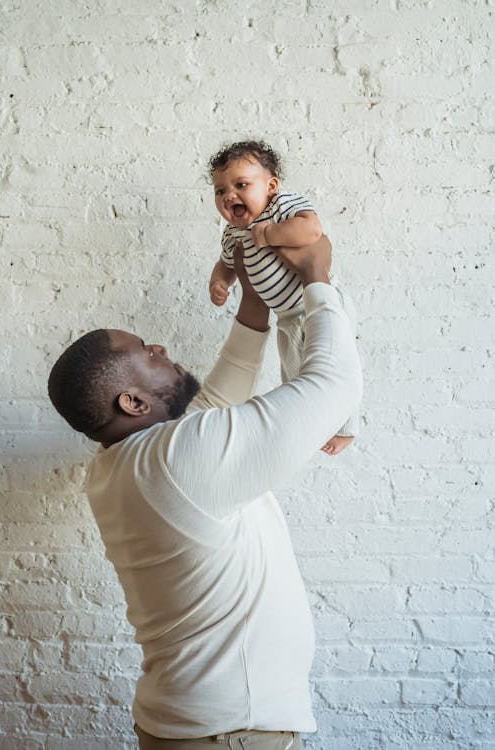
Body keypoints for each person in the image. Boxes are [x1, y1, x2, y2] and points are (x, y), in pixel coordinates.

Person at [47, 237, 362, 750]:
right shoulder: (174, 458)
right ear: (131, 401)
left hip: (200, 726)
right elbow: (334, 385)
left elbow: (215, 401)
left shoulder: (121, 467)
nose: (160, 348)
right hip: (231, 733)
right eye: (144, 351)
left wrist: (254, 300)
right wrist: (317, 279)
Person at [208, 139, 359, 456]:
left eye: (241, 184)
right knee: (294, 376)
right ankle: (318, 424)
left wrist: (271, 234)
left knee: (334, 365)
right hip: (287, 317)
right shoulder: (233, 232)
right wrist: (220, 281)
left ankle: (346, 428)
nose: (229, 195)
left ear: (271, 186)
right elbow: (226, 263)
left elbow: (312, 231)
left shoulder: (282, 207)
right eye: (220, 190)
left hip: (317, 305)